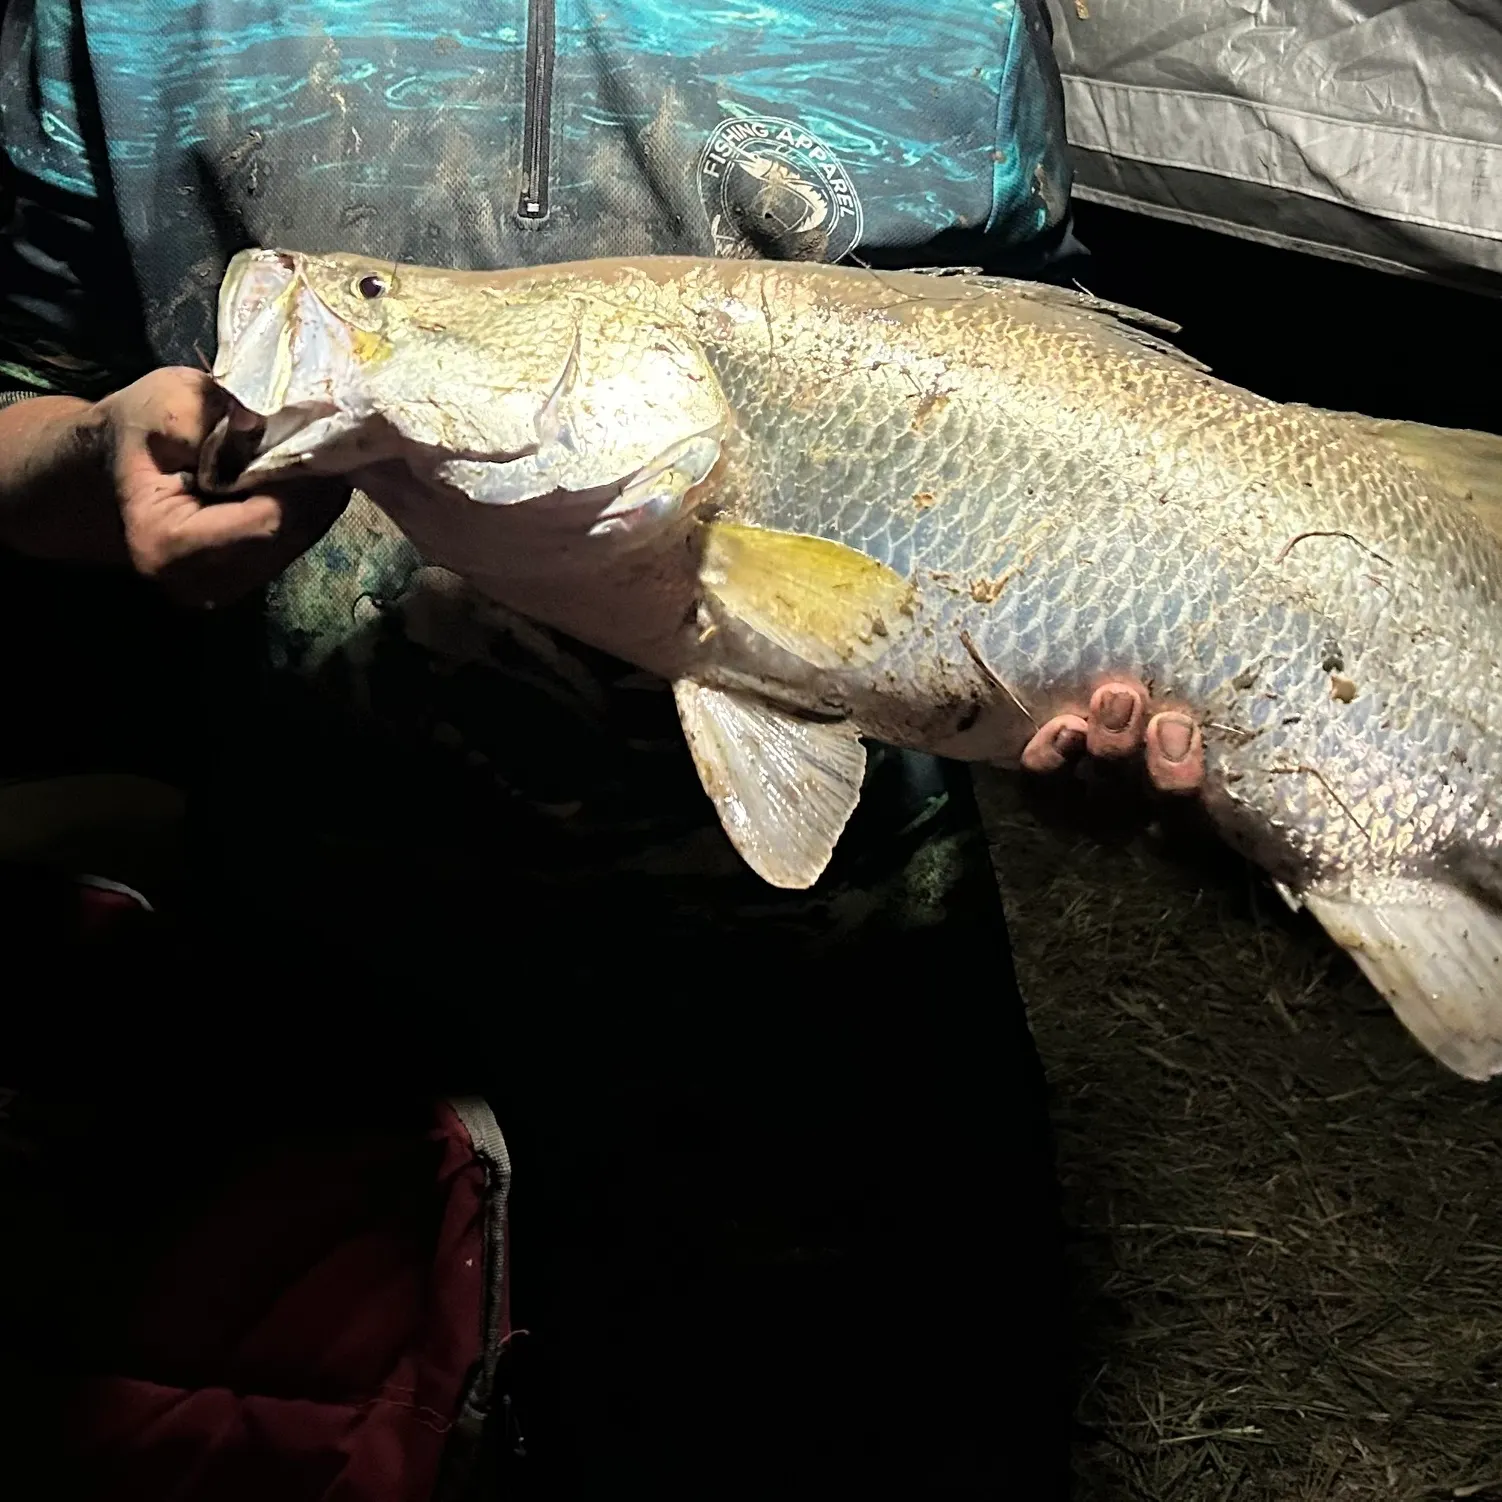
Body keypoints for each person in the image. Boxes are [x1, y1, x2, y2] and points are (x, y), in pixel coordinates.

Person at [0, 1, 1199, 1494]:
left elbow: (1063, 395)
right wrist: (85, 457)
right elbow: (19, 408)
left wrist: (1093, 692)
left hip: (838, 987)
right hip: (322, 991)